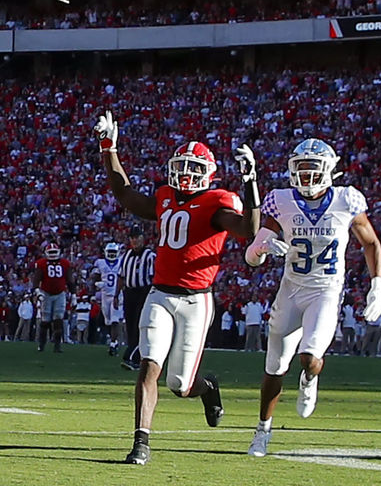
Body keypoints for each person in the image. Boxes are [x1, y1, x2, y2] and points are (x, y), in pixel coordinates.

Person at [95, 111, 260, 465]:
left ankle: (207, 387)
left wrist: (251, 184)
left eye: (194, 168)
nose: (186, 174)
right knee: (148, 366)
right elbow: (126, 196)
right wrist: (109, 149)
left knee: (180, 385)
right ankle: (141, 442)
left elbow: (247, 229)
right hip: (159, 294)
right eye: (182, 166)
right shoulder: (166, 195)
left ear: (209, 174)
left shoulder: (217, 202)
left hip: (195, 301)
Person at [244, 138, 381, 457]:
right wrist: (264, 247)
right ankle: (262, 430)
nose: (306, 178)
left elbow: (371, 243)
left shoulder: (346, 199)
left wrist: (377, 284)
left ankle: (310, 377)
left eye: (313, 171)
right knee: (275, 366)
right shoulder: (280, 200)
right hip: (291, 290)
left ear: (328, 171)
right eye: (302, 171)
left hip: (325, 290)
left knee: (309, 356)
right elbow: (251, 255)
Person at [117, 233, 155, 369]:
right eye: (132, 238)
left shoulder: (149, 256)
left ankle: (133, 357)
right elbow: (121, 276)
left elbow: (153, 278)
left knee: (139, 324)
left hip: (143, 292)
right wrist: (116, 295)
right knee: (130, 324)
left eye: (137, 237)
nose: (135, 240)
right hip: (129, 292)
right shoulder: (126, 255)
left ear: (142, 239)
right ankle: (133, 354)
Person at [30, 243, 74, 353]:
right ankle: (41, 344)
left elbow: (70, 280)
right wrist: (37, 291)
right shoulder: (41, 263)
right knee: (45, 320)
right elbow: (36, 279)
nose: (53, 255)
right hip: (46, 293)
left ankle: (57, 346)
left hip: (60, 293)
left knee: (58, 320)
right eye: (51, 252)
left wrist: (73, 294)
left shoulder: (65, 263)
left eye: (55, 252)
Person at [96, 243, 124, 356]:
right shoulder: (100, 263)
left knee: (114, 320)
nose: (112, 255)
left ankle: (113, 343)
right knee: (107, 321)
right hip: (105, 295)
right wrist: (97, 284)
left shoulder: (121, 262)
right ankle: (113, 340)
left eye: (114, 253)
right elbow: (95, 276)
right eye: (110, 253)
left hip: (117, 295)